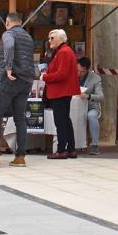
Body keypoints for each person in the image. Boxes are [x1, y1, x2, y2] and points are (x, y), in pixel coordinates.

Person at [0, 12, 35, 168]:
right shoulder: (27, 36)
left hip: (10, 80)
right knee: (19, 117)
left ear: (7, 22)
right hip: (26, 81)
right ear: (21, 22)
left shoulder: (8, 34)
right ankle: (20, 156)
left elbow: (10, 47)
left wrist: (8, 68)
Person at [41, 29, 79, 160]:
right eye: (49, 38)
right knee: (65, 120)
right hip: (63, 91)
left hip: (60, 91)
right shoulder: (64, 51)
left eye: (52, 38)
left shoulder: (63, 52)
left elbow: (61, 74)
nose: (49, 40)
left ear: (61, 39)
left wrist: (45, 77)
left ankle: (61, 150)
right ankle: (71, 149)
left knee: (61, 122)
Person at [77, 57, 103, 155]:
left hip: (91, 106)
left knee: (91, 116)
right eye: (77, 71)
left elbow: (101, 97)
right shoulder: (72, 75)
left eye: (82, 72)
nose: (79, 74)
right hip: (75, 106)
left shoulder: (96, 78)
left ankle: (94, 145)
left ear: (88, 70)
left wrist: (88, 96)